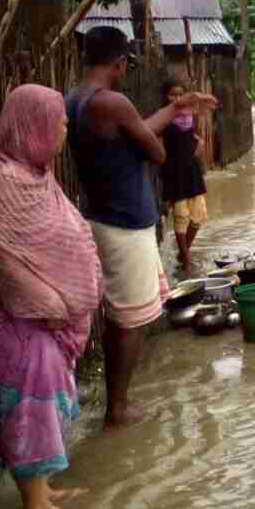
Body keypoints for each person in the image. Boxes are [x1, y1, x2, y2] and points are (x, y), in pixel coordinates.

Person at [66, 26, 215, 429]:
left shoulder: (77, 99)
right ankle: (118, 410)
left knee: (122, 313)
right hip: (125, 222)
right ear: (119, 63)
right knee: (130, 319)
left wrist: (179, 107)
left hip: (101, 213)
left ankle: (116, 401)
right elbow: (157, 151)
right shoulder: (114, 102)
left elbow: (135, 130)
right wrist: (164, 128)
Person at [0, 84, 103, 509]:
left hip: (47, 321)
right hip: (20, 321)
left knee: (45, 402)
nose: (65, 129)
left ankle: (44, 489)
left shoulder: (35, 174)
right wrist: (47, 301)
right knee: (30, 406)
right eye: (60, 122)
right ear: (34, 125)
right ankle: (34, 507)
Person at [159, 71, 208, 270]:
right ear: (165, 96)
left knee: (199, 215)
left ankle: (182, 253)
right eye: (172, 95)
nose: (177, 99)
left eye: (180, 95)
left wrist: (199, 142)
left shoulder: (188, 117)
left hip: (192, 170)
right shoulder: (163, 118)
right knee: (181, 215)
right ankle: (186, 260)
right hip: (175, 172)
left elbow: (192, 138)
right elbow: (158, 143)